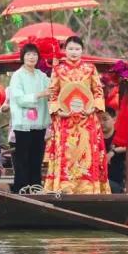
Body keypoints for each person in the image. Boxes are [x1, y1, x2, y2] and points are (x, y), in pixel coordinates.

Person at [45, 36, 110, 194]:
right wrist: (59, 111)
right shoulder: (58, 70)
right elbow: (53, 94)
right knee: (66, 154)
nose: (74, 52)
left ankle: (89, 189)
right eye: (70, 49)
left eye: (77, 49)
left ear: (82, 51)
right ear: (65, 51)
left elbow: (98, 92)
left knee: (88, 153)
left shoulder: (90, 68)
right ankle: (64, 188)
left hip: (87, 119)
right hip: (65, 120)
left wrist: (92, 108)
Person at [7, 43, 50, 193]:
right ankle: (21, 189)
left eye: (34, 54)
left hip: (39, 123)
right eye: (28, 54)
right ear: (23, 57)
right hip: (23, 123)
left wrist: (56, 69)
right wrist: (39, 94)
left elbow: (52, 89)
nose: (32, 57)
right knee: (22, 158)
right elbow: (19, 98)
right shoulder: (17, 76)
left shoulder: (41, 75)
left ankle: (36, 187)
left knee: (37, 158)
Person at [99, 108, 128, 193]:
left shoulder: (121, 137)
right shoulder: (94, 138)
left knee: (103, 183)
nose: (101, 123)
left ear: (114, 120)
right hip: (98, 183)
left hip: (118, 185)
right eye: (98, 120)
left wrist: (113, 152)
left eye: (105, 119)